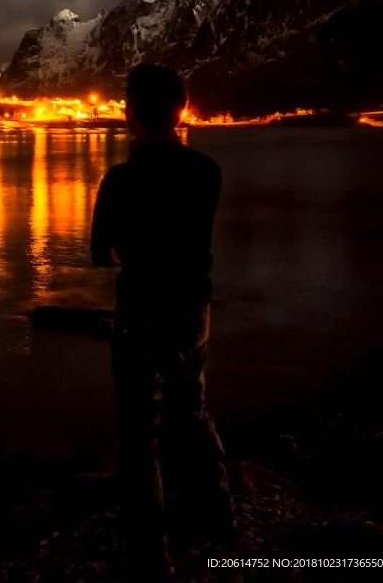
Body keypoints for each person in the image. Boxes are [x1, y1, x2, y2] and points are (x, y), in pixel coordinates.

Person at [90, 63, 233, 578]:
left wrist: (129, 251)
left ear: (133, 113)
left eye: (126, 103)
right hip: (194, 309)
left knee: (138, 435)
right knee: (191, 411)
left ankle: (153, 558)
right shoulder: (208, 171)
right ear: (180, 111)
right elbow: (193, 238)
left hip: (140, 314)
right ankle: (221, 518)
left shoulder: (120, 180)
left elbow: (100, 256)